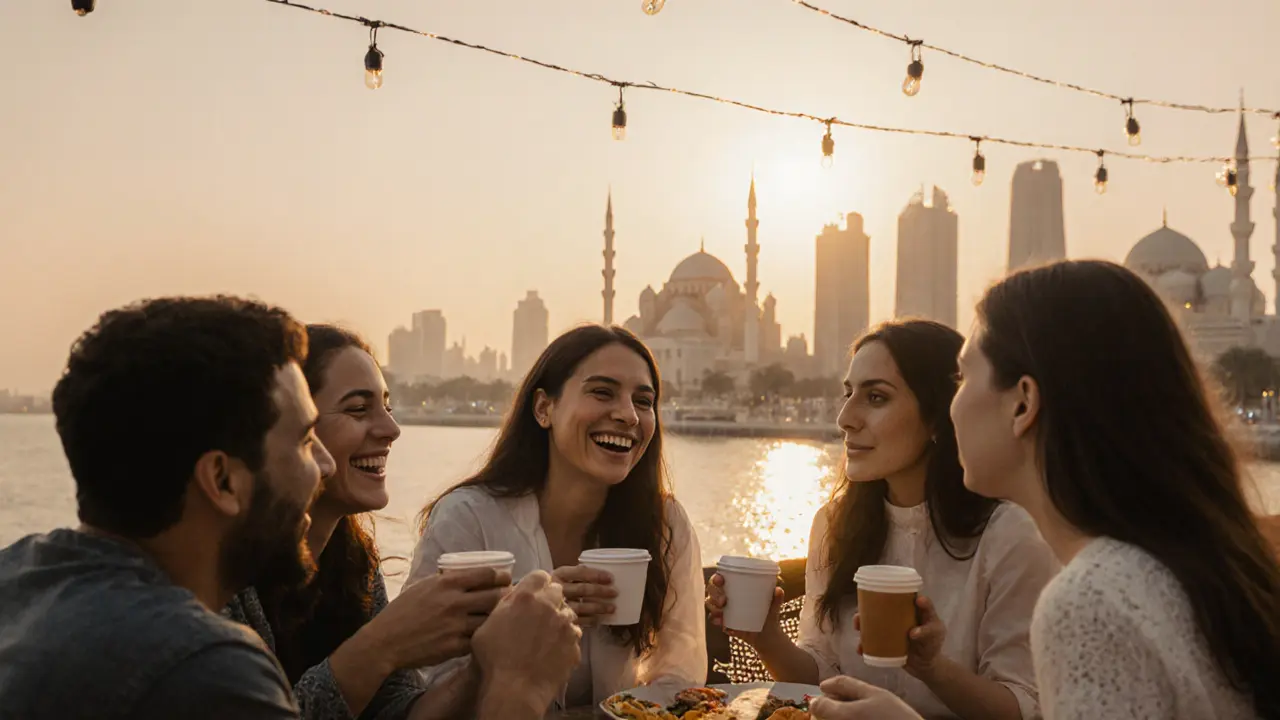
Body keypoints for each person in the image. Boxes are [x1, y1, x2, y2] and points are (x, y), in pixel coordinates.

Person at [0, 296, 582, 720]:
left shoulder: (22, 573)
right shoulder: (203, 668)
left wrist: (486, 658)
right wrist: (518, 687)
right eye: (305, 442)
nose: (323, 466)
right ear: (222, 480)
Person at [948, 260, 1280, 718]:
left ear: (1023, 403)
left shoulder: (1092, 602)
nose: (954, 405)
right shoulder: (1204, 569)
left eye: (963, 377)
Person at [706, 319, 1058, 719]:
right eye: (848, 393)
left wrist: (932, 667)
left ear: (939, 416)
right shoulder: (834, 524)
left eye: (876, 398)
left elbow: (1023, 706)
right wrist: (765, 637)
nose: (845, 418)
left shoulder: (1010, 535)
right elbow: (821, 673)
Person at [408, 324, 707, 711]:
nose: (628, 415)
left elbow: (679, 678)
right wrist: (522, 625)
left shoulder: (665, 524)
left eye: (644, 401)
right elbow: (419, 693)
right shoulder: (467, 520)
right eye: (602, 392)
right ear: (544, 408)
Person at [222, 325, 506, 719]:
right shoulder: (220, 579)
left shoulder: (354, 561)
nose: (392, 429)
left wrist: (489, 658)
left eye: (387, 406)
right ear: (295, 426)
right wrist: (381, 644)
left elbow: (399, 711)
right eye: (359, 409)